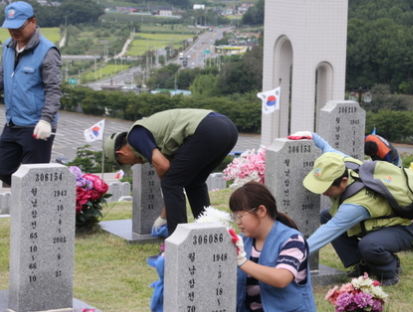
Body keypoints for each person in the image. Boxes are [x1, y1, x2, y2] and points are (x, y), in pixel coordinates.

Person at [303, 133, 413, 286]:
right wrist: (310, 136)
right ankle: (362, 264)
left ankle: (389, 270)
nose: (323, 192)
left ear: (343, 181)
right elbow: (326, 147)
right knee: (327, 215)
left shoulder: (357, 205)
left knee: (369, 245)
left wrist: (295, 254)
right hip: (377, 222)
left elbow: (329, 231)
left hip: (400, 228)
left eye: (327, 188)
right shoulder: (341, 163)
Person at [103, 108, 238, 236]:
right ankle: (208, 230)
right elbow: (173, 178)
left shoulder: (135, 135)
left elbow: (164, 167)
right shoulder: (152, 138)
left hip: (207, 129)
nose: (134, 164)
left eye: (128, 163)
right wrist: (164, 214)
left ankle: (177, 239)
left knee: (171, 182)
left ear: (121, 153)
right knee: (195, 183)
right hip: (228, 129)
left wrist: (163, 217)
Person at [0, 1, 62, 186]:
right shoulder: (8, 47)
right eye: (10, 28)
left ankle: (38, 209)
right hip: (13, 123)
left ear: (32, 22)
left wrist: (46, 120)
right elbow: (3, 78)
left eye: (18, 27)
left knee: (34, 180)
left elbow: (53, 89)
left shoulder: (47, 51)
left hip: (37, 127)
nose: (14, 32)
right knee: (3, 169)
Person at [228, 182, 316, 312]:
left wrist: (242, 262)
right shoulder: (244, 241)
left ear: (261, 211)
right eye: (234, 216)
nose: (238, 222)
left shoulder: (292, 239)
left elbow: (281, 278)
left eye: (240, 216)